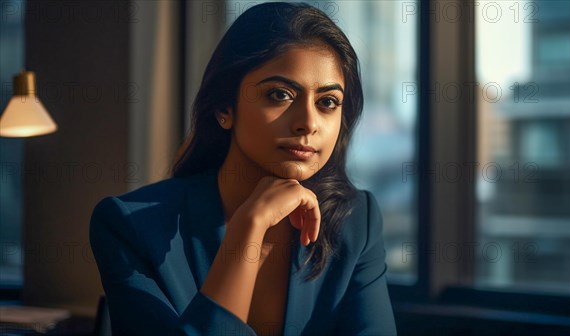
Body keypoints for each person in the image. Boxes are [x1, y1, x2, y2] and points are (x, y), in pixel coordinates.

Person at [89, 2, 397, 335]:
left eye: (327, 102)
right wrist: (248, 228)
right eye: (280, 95)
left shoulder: (356, 222)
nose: (308, 123)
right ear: (224, 107)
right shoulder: (130, 227)